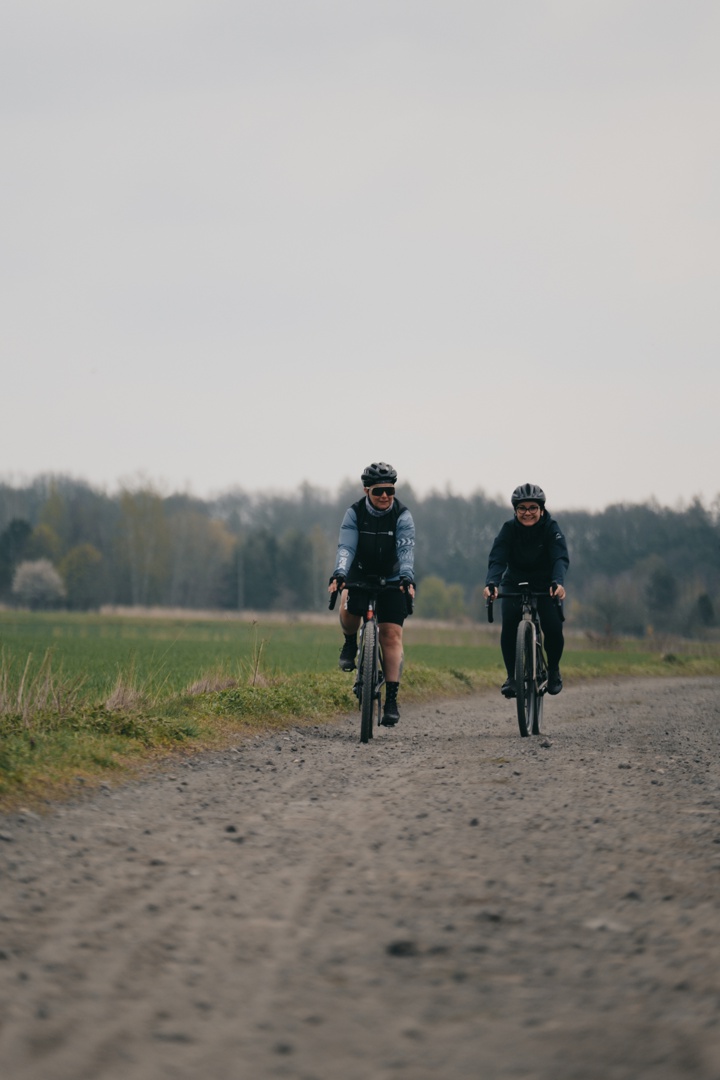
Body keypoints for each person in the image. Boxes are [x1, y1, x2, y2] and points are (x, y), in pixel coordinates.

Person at [328, 462, 416, 726]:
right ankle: (350, 642)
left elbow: (406, 549)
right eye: (378, 491)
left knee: (391, 635)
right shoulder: (354, 513)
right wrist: (340, 573)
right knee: (348, 604)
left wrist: (407, 576)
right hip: (360, 572)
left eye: (390, 490)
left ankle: (391, 700)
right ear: (366, 490)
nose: (385, 496)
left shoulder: (402, 515)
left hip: (393, 576)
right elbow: (346, 547)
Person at [483, 483, 569, 697]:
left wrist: (558, 582)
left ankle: (553, 670)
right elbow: (498, 558)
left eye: (532, 508)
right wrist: (492, 584)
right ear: (515, 510)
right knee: (509, 624)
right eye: (522, 508)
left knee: (553, 627)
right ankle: (512, 678)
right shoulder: (508, 529)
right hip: (515, 581)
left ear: (541, 509)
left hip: (546, 583)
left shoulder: (551, 528)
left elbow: (559, 557)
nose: (527, 513)